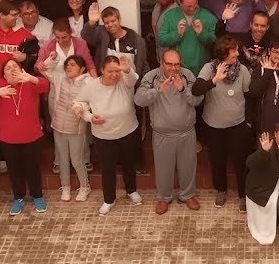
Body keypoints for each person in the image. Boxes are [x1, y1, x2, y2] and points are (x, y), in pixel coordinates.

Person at [134, 49, 203, 214]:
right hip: (162, 134)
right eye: (169, 64)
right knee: (163, 168)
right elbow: (139, 99)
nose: (173, 68)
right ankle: (164, 197)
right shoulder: (152, 77)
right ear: (162, 63)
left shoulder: (187, 75)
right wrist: (158, 90)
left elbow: (197, 100)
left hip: (186, 132)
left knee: (188, 166)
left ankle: (187, 195)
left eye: (177, 64)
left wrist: (182, 90)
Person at [0, 58, 51, 216]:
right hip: (8, 137)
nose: (12, 69)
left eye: (15, 66)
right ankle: (18, 197)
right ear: (4, 74)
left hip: (31, 135)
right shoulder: (0, 84)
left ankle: (37, 196)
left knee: (33, 168)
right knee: (14, 170)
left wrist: (31, 78)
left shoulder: (30, 83)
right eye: (8, 68)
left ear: (21, 70)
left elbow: (45, 85)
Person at [78, 55, 144, 216]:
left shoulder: (125, 80)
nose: (114, 75)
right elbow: (79, 103)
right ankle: (109, 199)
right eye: (110, 71)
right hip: (103, 136)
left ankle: (131, 190)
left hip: (128, 130)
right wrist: (89, 117)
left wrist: (126, 69)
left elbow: (132, 78)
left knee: (129, 164)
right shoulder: (92, 86)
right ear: (102, 70)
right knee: (108, 169)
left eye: (117, 71)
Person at [192, 38, 253, 209]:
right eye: (234, 51)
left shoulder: (243, 70)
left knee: (241, 162)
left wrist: (248, 121)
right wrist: (214, 80)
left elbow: (250, 97)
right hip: (213, 126)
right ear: (224, 53)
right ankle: (221, 190)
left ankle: (243, 195)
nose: (238, 54)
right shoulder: (209, 68)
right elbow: (196, 89)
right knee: (217, 160)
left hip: (238, 125)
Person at [44, 54, 92, 203]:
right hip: (58, 125)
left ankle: (85, 186)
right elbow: (46, 70)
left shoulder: (88, 82)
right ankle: (65, 186)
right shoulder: (61, 78)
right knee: (62, 159)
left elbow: (88, 101)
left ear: (82, 68)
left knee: (77, 159)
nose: (69, 67)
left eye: (73, 65)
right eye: (67, 65)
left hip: (76, 128)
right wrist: (52, 59)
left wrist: (81, 109)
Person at [244, 124, 279, 244]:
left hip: (276, 189)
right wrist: (263, 151)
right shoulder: (268, 147)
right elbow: (249, 163)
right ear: (276, 134)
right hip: (261, 191)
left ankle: (277, 211)